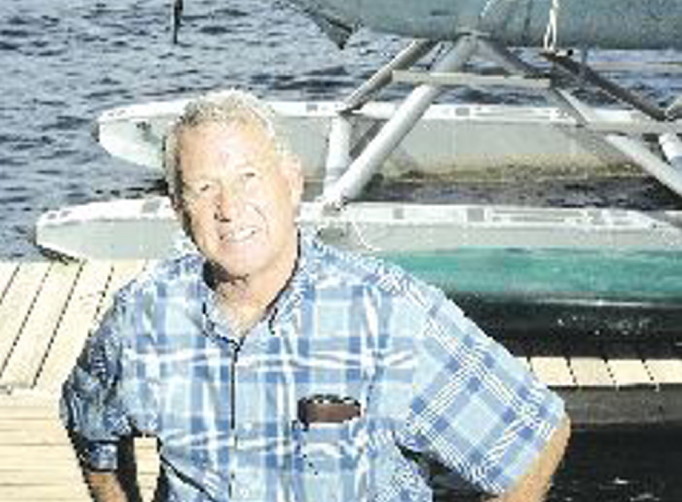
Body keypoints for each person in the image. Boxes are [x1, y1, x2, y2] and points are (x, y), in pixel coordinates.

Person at [61, 90, 570, 502]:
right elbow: (89, 421)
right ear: (179, 210)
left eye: (248, 178)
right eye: (203, 189)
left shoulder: (389, 313)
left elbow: (537, 436)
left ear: (291, 183)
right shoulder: (142, 316)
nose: (229, 208)